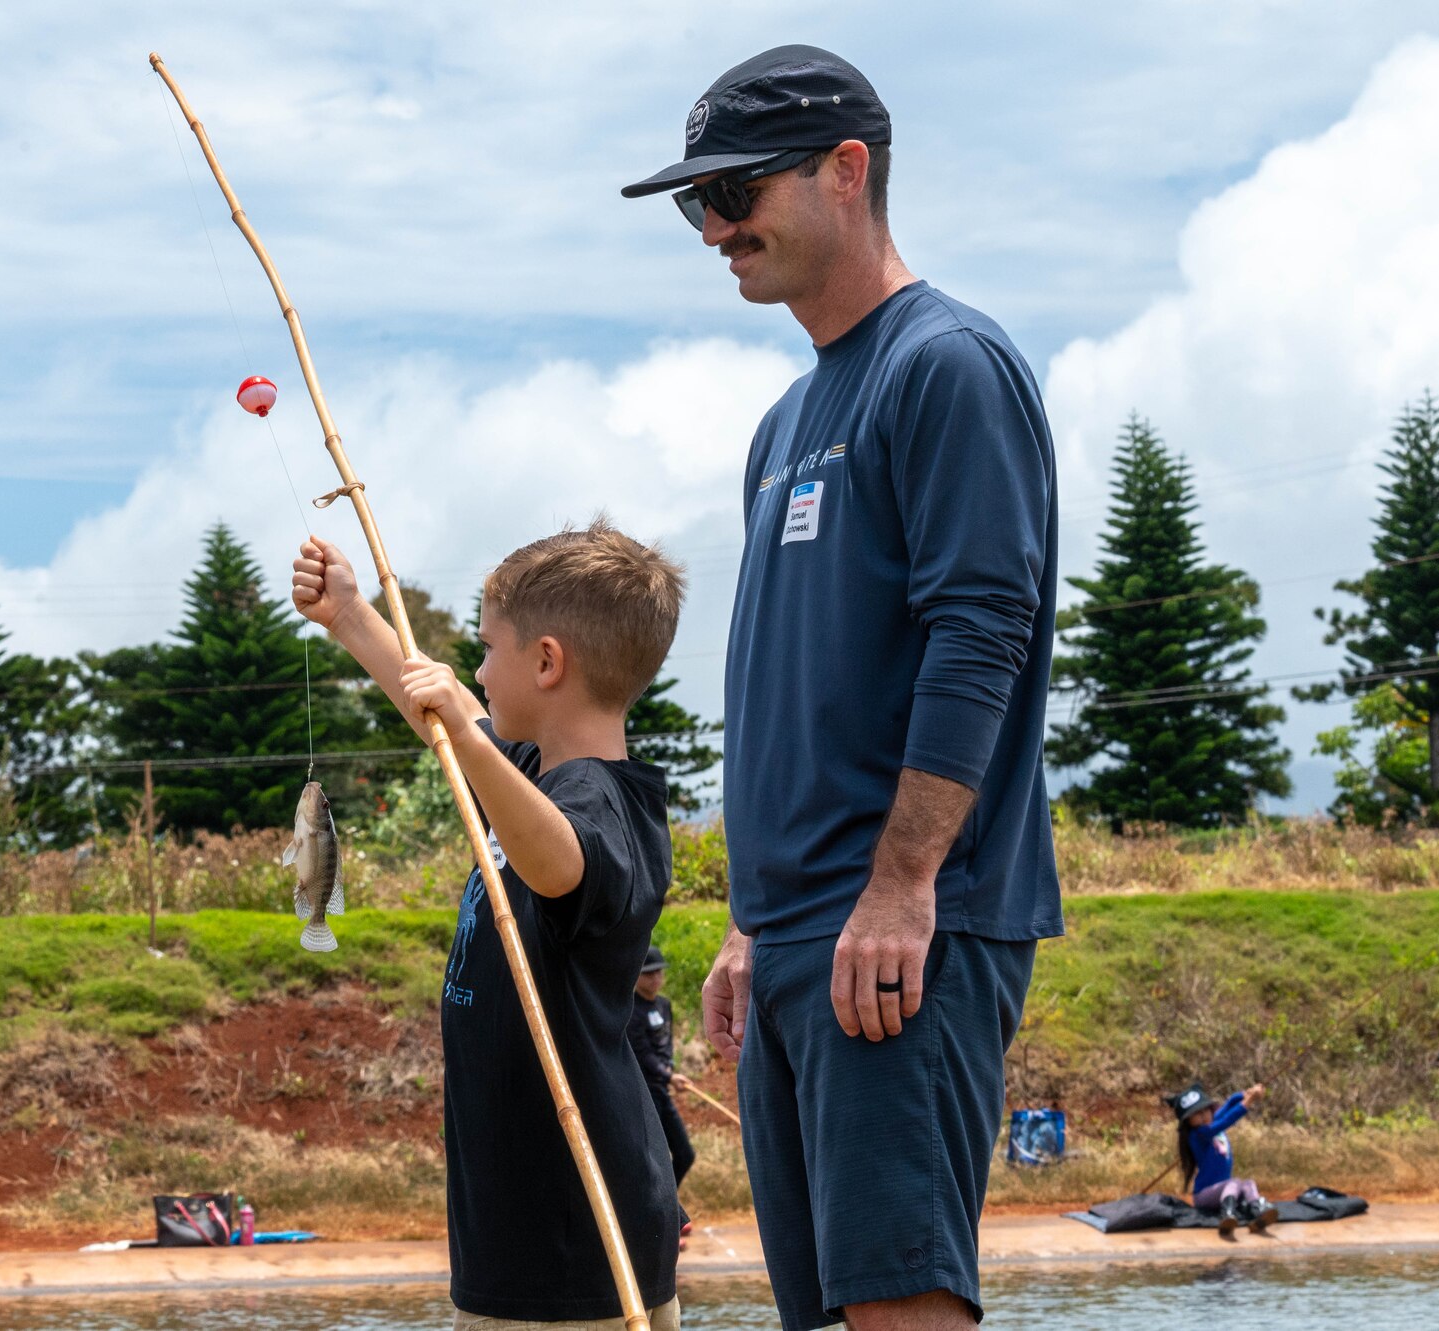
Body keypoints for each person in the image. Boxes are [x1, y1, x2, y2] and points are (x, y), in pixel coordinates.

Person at [624, 45, 1062, 1331]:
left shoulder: (948, 365)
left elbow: (981, 629)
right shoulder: (782, 423)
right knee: (822, 1310)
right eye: (688, 204)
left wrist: (902, 881)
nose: (711, 226)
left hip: (900, 926)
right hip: (798, 934)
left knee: (900, 1303)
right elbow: (796, 693)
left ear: (846, 171)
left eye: (735, 190)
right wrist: (751, 922)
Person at [293, 519, 687, 1330]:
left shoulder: (607, 808)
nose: (474, 669)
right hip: (510, 1244)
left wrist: (471, 735)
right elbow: (449, 726)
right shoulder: (532, 780)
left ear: (547, 662)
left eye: (486, 647)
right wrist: (351, 617)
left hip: (579, 1250)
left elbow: (561, 862)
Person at [1166, 1081, 1276, 1235]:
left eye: (1205, 1110)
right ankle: (1227, 1214)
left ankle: (1258, 1209)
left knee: (1248, 1184)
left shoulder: (1210, 1122)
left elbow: (1228, 1106)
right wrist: (1248, 1101)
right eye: (1197, 1114)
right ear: (1188, 1121)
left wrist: (1245, 1094)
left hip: (1223, 1191)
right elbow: (1227, 1120)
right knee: (1234, 1183)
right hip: (1204, 1195)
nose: (1203, 1115)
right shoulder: (1199, 1134)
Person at [629, 947, 697, 1191]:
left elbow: (666, 1044)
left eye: (658, 973)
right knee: (654, 1161)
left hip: (662, 1089)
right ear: (636, 975)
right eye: (648, 974)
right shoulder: (630, 1010)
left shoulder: (664, 1005)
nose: (655, 979)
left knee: (685, 1154)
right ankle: (660, 1213)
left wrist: (671, 1070)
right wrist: (669, 1075)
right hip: (643, 1093)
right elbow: (642, 1053)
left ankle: (668, 1206)